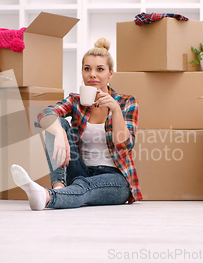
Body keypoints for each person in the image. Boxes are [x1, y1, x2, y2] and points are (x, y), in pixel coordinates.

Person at [11, 38, 142, 211]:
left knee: (85, 186)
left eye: (100, 69)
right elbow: (43, 115)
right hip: (80, 170)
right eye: (87, 69)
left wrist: (116, 110)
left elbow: (125, 145)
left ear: (110, 73)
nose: (92, 74)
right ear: (82, 72)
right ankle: (58, 186)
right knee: (55, 121)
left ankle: (48, 196)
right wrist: (59, 132)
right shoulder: (76, 100)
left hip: (114, 179)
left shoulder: (126, 102)